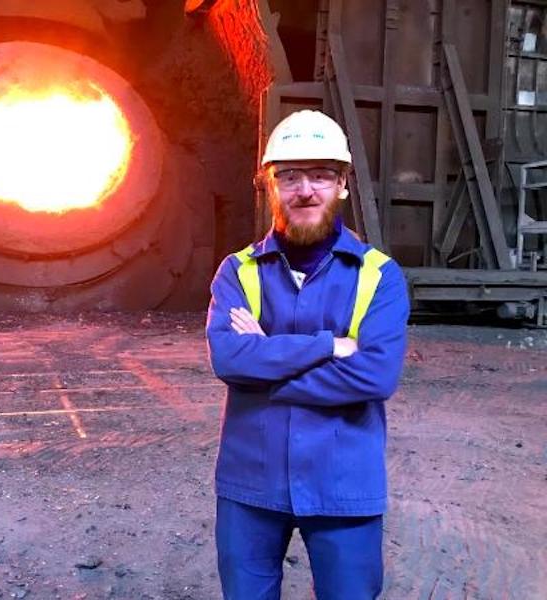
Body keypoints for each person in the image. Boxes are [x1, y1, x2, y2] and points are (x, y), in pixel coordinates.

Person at [205, 109, 409, 600]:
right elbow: (230, 361)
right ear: (270, 186)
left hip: (344, 486)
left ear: (342, 184)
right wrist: (326, 345)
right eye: (289, 176)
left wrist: (266, 368)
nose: (305, 190)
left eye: (321, 175)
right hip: (252, 485)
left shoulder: (378, 276)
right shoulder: (238, 273)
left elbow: (375, 376)